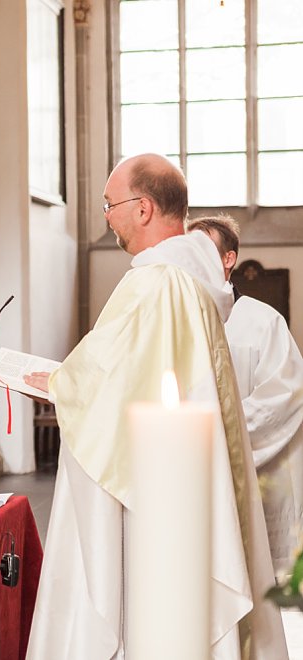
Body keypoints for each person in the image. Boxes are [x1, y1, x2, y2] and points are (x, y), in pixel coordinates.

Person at [23, 154, 287, 658]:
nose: (107, 215)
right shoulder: (191, 279)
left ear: (142, 208)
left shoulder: (158, 282)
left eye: (110, 204)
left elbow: (116, 379)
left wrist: (59, 383)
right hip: (183, 476)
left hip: (160, 496)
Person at [189, 215, 303, 576]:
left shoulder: (263, 321)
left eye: (202, 248)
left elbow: (283, 395)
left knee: (249, 573)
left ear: (228, 259)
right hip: (189, 468)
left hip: (247, 467)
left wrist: (220, 432)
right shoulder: (177, 315)